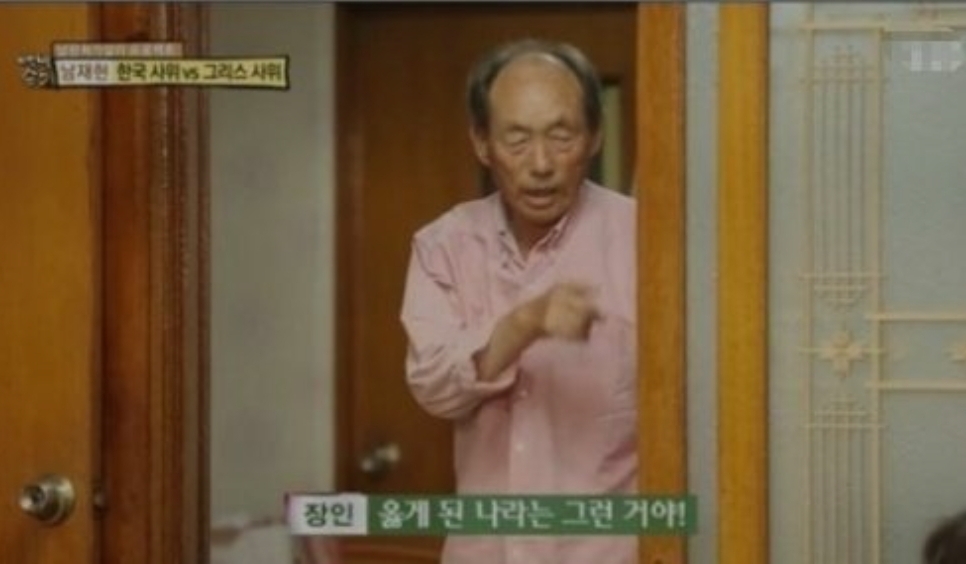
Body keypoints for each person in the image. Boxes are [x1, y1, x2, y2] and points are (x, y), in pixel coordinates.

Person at [400, 38, 637, 564]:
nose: (542, 163)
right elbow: (434, 389)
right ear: (482, 143)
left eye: (561, 135)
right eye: (517, 139)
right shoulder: (443, 246)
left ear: (594, 136)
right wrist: (523, 324)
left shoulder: (648, 240)